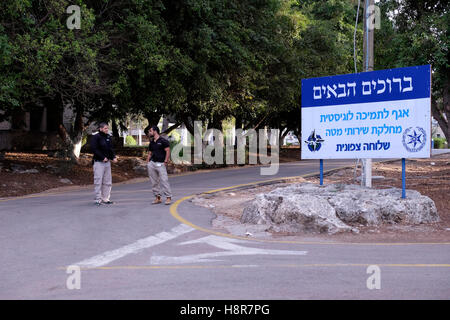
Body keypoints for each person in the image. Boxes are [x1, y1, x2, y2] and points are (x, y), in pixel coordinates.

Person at [90, 122, 118, 206]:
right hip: (99, 162)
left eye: (107, 128)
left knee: (107, 181)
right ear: (100, 128)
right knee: (98, 181)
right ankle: (98, 199)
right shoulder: (96, 137)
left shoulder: (108, 137)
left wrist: (113, 157)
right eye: (105, 128)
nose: (107, 130)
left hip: (107, 163)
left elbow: (110, 149)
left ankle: (105, 199)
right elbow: (94, 149)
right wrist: (102, 157)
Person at [147, 126, 172, 205]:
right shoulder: (152, 142)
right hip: (152, 163)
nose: (149, 132)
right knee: (154, 182)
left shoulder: (163, 141)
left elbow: (168, 151)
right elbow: (150, 153)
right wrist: (148, 161)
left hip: (161, 163)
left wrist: (165, 161)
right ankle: (158, 198)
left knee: (164, 180)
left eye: (150, 131)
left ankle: (168, 197)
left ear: (155, 131)